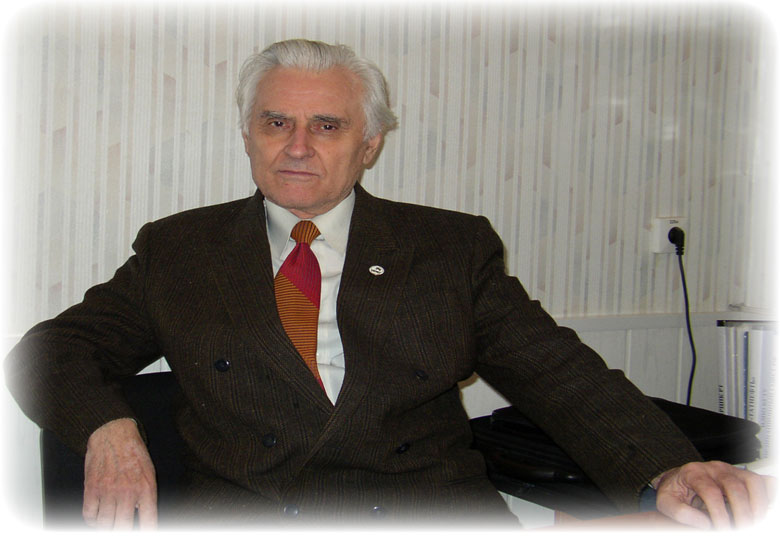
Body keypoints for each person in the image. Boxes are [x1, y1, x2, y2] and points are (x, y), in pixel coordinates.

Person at [4, 39, 774, 530]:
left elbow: (558, 373)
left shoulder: (448, 248)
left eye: (327, 126)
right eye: (276, 123)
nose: (297, 147)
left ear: (369, 143)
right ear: (247, 135)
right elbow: (49, 351)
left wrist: (667, 466)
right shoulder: (180, 250)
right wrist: (108, 428)